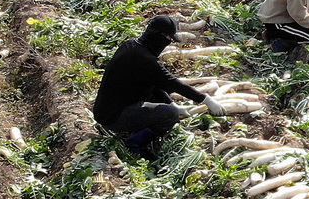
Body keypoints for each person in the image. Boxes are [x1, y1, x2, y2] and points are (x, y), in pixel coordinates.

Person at [91, 15, 225, 159]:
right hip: (114, 118)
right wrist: (206, 100)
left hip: (105, 111)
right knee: (170, 114)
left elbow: (154, 83)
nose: (169, 43)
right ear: (158, 36)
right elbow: (173, 83)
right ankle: (135, 143)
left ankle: (132, 130)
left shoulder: (130, 46)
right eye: (169, 39)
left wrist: (172, 103)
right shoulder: (146, 60)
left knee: (168, 107)